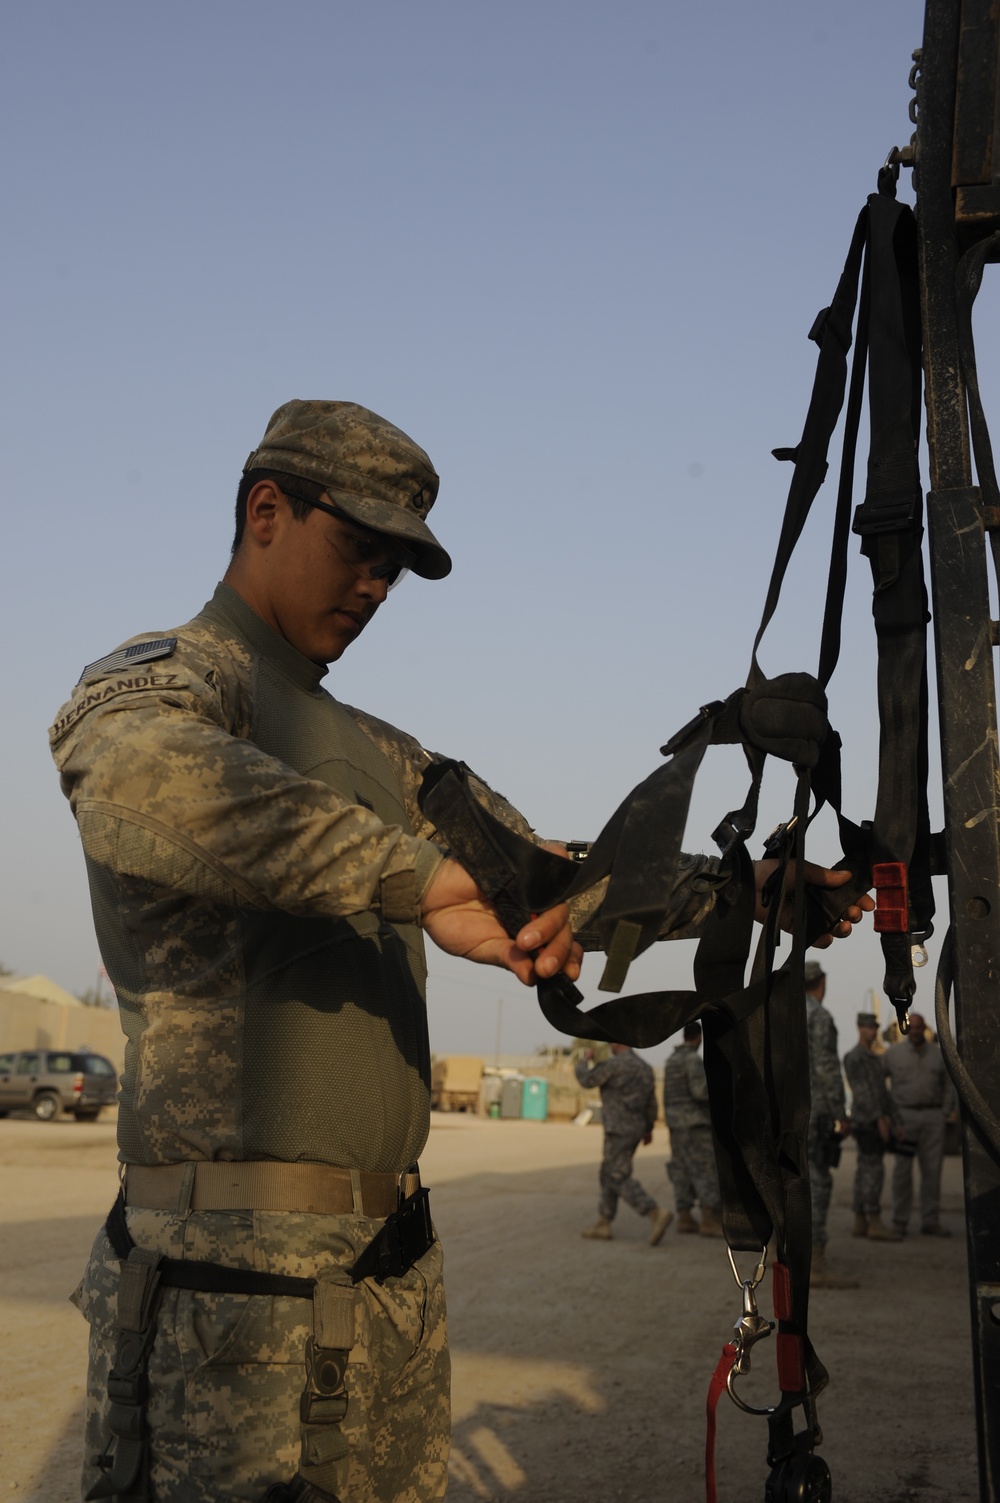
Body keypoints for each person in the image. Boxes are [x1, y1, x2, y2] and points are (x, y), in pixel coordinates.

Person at [49, 399, 870, 1503]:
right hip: (226, 1280)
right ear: (265, 512)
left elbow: (545, 884)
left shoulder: (385, 753)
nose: (376, 586)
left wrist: (747, 894)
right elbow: (138, 781)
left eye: (395, 567)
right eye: (360, 547)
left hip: (379, 1270)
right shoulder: (171, 679)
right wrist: (416, 876)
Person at [574, 1043, 672, 1244]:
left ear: (618, 1044)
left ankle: (654, 1212)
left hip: (617, 1129)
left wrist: (584, 1060)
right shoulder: (645, 1067)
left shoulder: (614, 1065)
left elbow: (587, 1080)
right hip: (635, 1128)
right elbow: (651, 1102)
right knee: (608, 1171)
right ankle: (604, 1221)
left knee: (616, 1175)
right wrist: (648, 1128)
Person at [804, 961, 856, 1289]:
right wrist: (840, 1112)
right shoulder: (818, 1016)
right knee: (817, 1183)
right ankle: (815, 1262)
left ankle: (785, 1255)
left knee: (787, 1183)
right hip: (815, 1113)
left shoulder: (781, 1015)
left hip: (782, 1114)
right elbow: (825, 1067)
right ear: (821, 981)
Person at [884, 1011, 957, 1237]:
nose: (915, 1031)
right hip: (904, 1119)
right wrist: (890, 1116)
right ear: (907, 1029)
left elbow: (950, 1084)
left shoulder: (939, 1055)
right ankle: (900, 1221)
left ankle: (930, 1222)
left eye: (919, 1027)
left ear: (925, 1029)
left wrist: (944, 1112)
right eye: (912, 1027)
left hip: (933, 1118)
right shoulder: (893, 1054)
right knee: (902, 1173)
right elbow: (879, 1083)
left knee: (932, 1173)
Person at [843, 1012, 902, 1241]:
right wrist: (879, 1119)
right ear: (859, 1028)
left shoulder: (875, 1058)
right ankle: (872, 1220)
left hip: (876, 1120)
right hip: (867, 1122)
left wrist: (896, 1119)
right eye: (868, 1027)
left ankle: (861, 1221)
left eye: (875, 1027)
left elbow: (883, 1093)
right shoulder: (854, 1057)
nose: (873, 1031)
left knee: (866, 1171)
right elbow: (862, 1092)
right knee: (872, 1172)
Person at [662, 1021, 723, 1236]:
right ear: (698, 1037)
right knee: (706, 1169)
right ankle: (709, 1219)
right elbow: (700, 1092)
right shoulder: (692, 1059)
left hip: (676, 1125)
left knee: (681, 1169)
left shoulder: (671, 1060)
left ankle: (684, 1216)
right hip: (695, 1125)